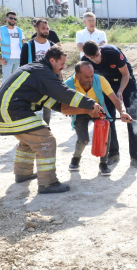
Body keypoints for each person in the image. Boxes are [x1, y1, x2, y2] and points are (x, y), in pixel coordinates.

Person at [0, 46, 104, 194]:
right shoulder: (43, 72)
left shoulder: (38, 73)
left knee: (30, 138)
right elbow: (64, 92)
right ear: (52, 60)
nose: (63, 68)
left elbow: (58, 105)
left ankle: (23, 173)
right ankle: (48, 183)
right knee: (46, 139)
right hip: (12, 110)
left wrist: (87, 111)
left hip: (8, 110)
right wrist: (90, 103)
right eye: (61, 64)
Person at [82, 41, 137, 168]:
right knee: (108, 118)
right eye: (92, 58)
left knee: (132, 118)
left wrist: (120, 91)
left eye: (97, 55)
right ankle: (113, 153)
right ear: (87, 56)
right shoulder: (85, 62)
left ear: (99, 49)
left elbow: (126, 74)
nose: (97, 60)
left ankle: (135, 156)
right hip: (107, 86)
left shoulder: (112, 53)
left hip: (126, 82)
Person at [65, 61, 132, 175]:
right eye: (86, 77)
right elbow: (64, 108)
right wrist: (85, 110)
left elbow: (116, 100)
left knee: (106, 130)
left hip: (98, 110)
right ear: (77, 76)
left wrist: (122, 112)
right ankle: (75, 159)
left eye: (91, 76)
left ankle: (103, 163)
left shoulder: (100, 80)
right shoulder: (69, 84)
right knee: (83, 140)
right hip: (80, 111)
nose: (90, 80)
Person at [20, 18, 56, 126]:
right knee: (30, 106)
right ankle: (30, 130)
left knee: (47, 107)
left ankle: (46, 129)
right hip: (32, 81)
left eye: (47, 28)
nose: (46, 31)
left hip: (47, 81)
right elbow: (22, 66)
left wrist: (59, 80)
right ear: (36, 29)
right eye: (43, 28)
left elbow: (57, 65)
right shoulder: (28, 46)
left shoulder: (52, 46)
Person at [0, 12, 25, 83]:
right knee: (6, 80)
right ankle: (3, 94)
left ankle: (15, 94)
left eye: (14, 18)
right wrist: (0, 59)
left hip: (19, 58)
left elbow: (23, 45)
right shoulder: (1, 30)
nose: (13, 20)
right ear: (6, 18)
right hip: (7, 59)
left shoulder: (19, 30)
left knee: (17, 79)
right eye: (11, 18)